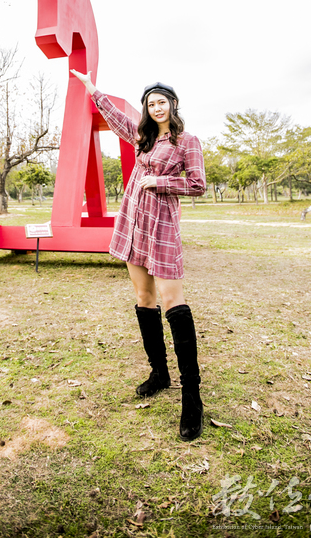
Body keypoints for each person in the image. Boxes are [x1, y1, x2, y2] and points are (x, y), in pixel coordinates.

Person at [70, 69, 207, 441]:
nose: (156, 107)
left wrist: (159, 181)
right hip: (133, 223)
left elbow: (197, 184)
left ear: (173, 105)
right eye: (150, 103)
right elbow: (116, 119)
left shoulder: (186, 141)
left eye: (161, 101)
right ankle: (159, 373)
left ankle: (192, 399)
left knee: (172, 301)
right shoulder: (143, 137)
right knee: (144, 298)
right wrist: (92, 89)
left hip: (162, 226)